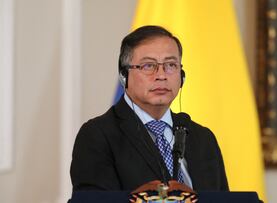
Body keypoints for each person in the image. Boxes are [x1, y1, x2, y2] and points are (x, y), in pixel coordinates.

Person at [70, 25, 229, 192]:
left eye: (171, 65)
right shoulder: (98, 136)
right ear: (124, 76)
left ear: (181, 76)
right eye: (148, 66)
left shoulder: (203, 139)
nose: (161, 75)